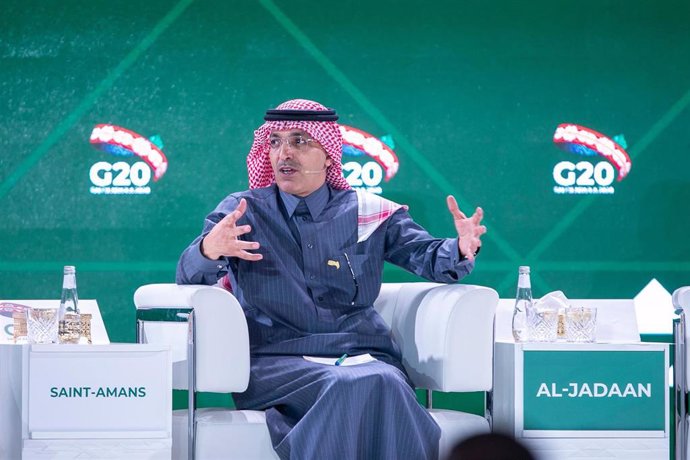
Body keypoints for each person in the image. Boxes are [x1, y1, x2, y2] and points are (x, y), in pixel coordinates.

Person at [176, 98, 486, 460]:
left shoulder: (367, 211)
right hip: (276, 360)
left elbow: (430, 259)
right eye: (274, 142)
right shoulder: (244, 210)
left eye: (299, 141)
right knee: (345, 383)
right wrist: (210, 249)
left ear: (328, 155)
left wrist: (463, 248)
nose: (283, 153)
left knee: (382, 380)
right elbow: (187, 275)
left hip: (362, 353)